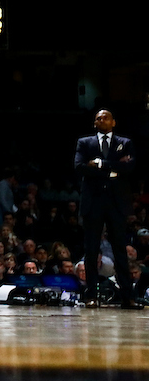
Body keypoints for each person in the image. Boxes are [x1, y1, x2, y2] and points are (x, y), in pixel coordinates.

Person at [75, 109, 141, 309]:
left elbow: (129, 167)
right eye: (98, 118)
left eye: (105, 117)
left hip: (116, 203)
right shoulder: (84, 142)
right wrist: (113, 170)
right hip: (93, 202)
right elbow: (79, 167)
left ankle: (128, 297)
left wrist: (100, 164)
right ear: (94, 123)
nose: (101, 119)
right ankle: (91, 296)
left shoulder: (125, 142)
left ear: (113, 122)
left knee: (120, 250)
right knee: (91, 251)